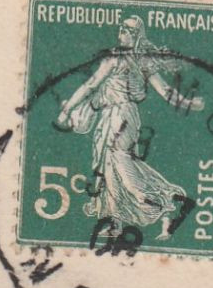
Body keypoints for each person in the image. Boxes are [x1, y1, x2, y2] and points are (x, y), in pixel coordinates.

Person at [56, 16, 205, 237]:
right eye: (122, 27)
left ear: (136, 36)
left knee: (120, 166)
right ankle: (117, 220)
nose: (122, 31)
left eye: (128, 29)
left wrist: (68, 109)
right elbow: (166, 92)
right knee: (112, 166)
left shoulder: (115, 59)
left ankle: (166, 203)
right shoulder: (141, 60)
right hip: (122, 116)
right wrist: (189, 104)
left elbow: (90, 85)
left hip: (118, 116)